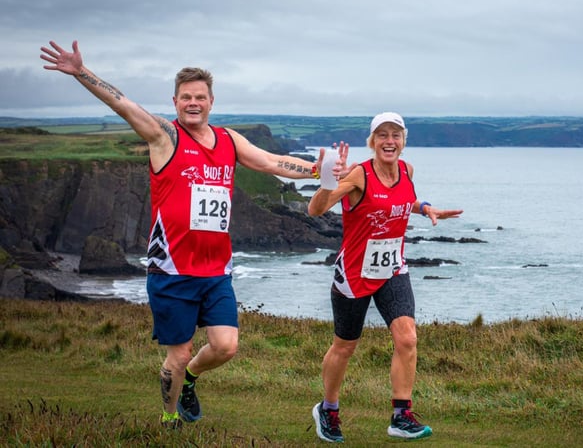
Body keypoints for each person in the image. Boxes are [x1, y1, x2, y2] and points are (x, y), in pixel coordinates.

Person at [39, 40, 342, 428]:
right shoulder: (165, 137)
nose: (193, 103)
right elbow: (123, 104)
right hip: (172, 272)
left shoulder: (229, 141)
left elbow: (271, 162)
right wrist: (81, 72)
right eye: (186, 97)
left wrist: (317, 171)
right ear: (175, 101)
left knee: (226, 346)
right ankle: (169, 419)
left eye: (200, 97)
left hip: (215, 270)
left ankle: (190, 382)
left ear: (211, 101)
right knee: (177, 356)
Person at [307, 112, 463, 442]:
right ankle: (328, 409)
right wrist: (328, 181)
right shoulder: (359, 177)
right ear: (372, 142)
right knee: (344, 347)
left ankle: (401, 415)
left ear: (403, 142)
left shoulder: (407, 171)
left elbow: (403, 200)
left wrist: (425, 208)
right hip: (354, 274)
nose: (389, 141)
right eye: (382, 135)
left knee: (407, 338)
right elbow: (316, 210)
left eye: (395, 135)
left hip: (392, 269)